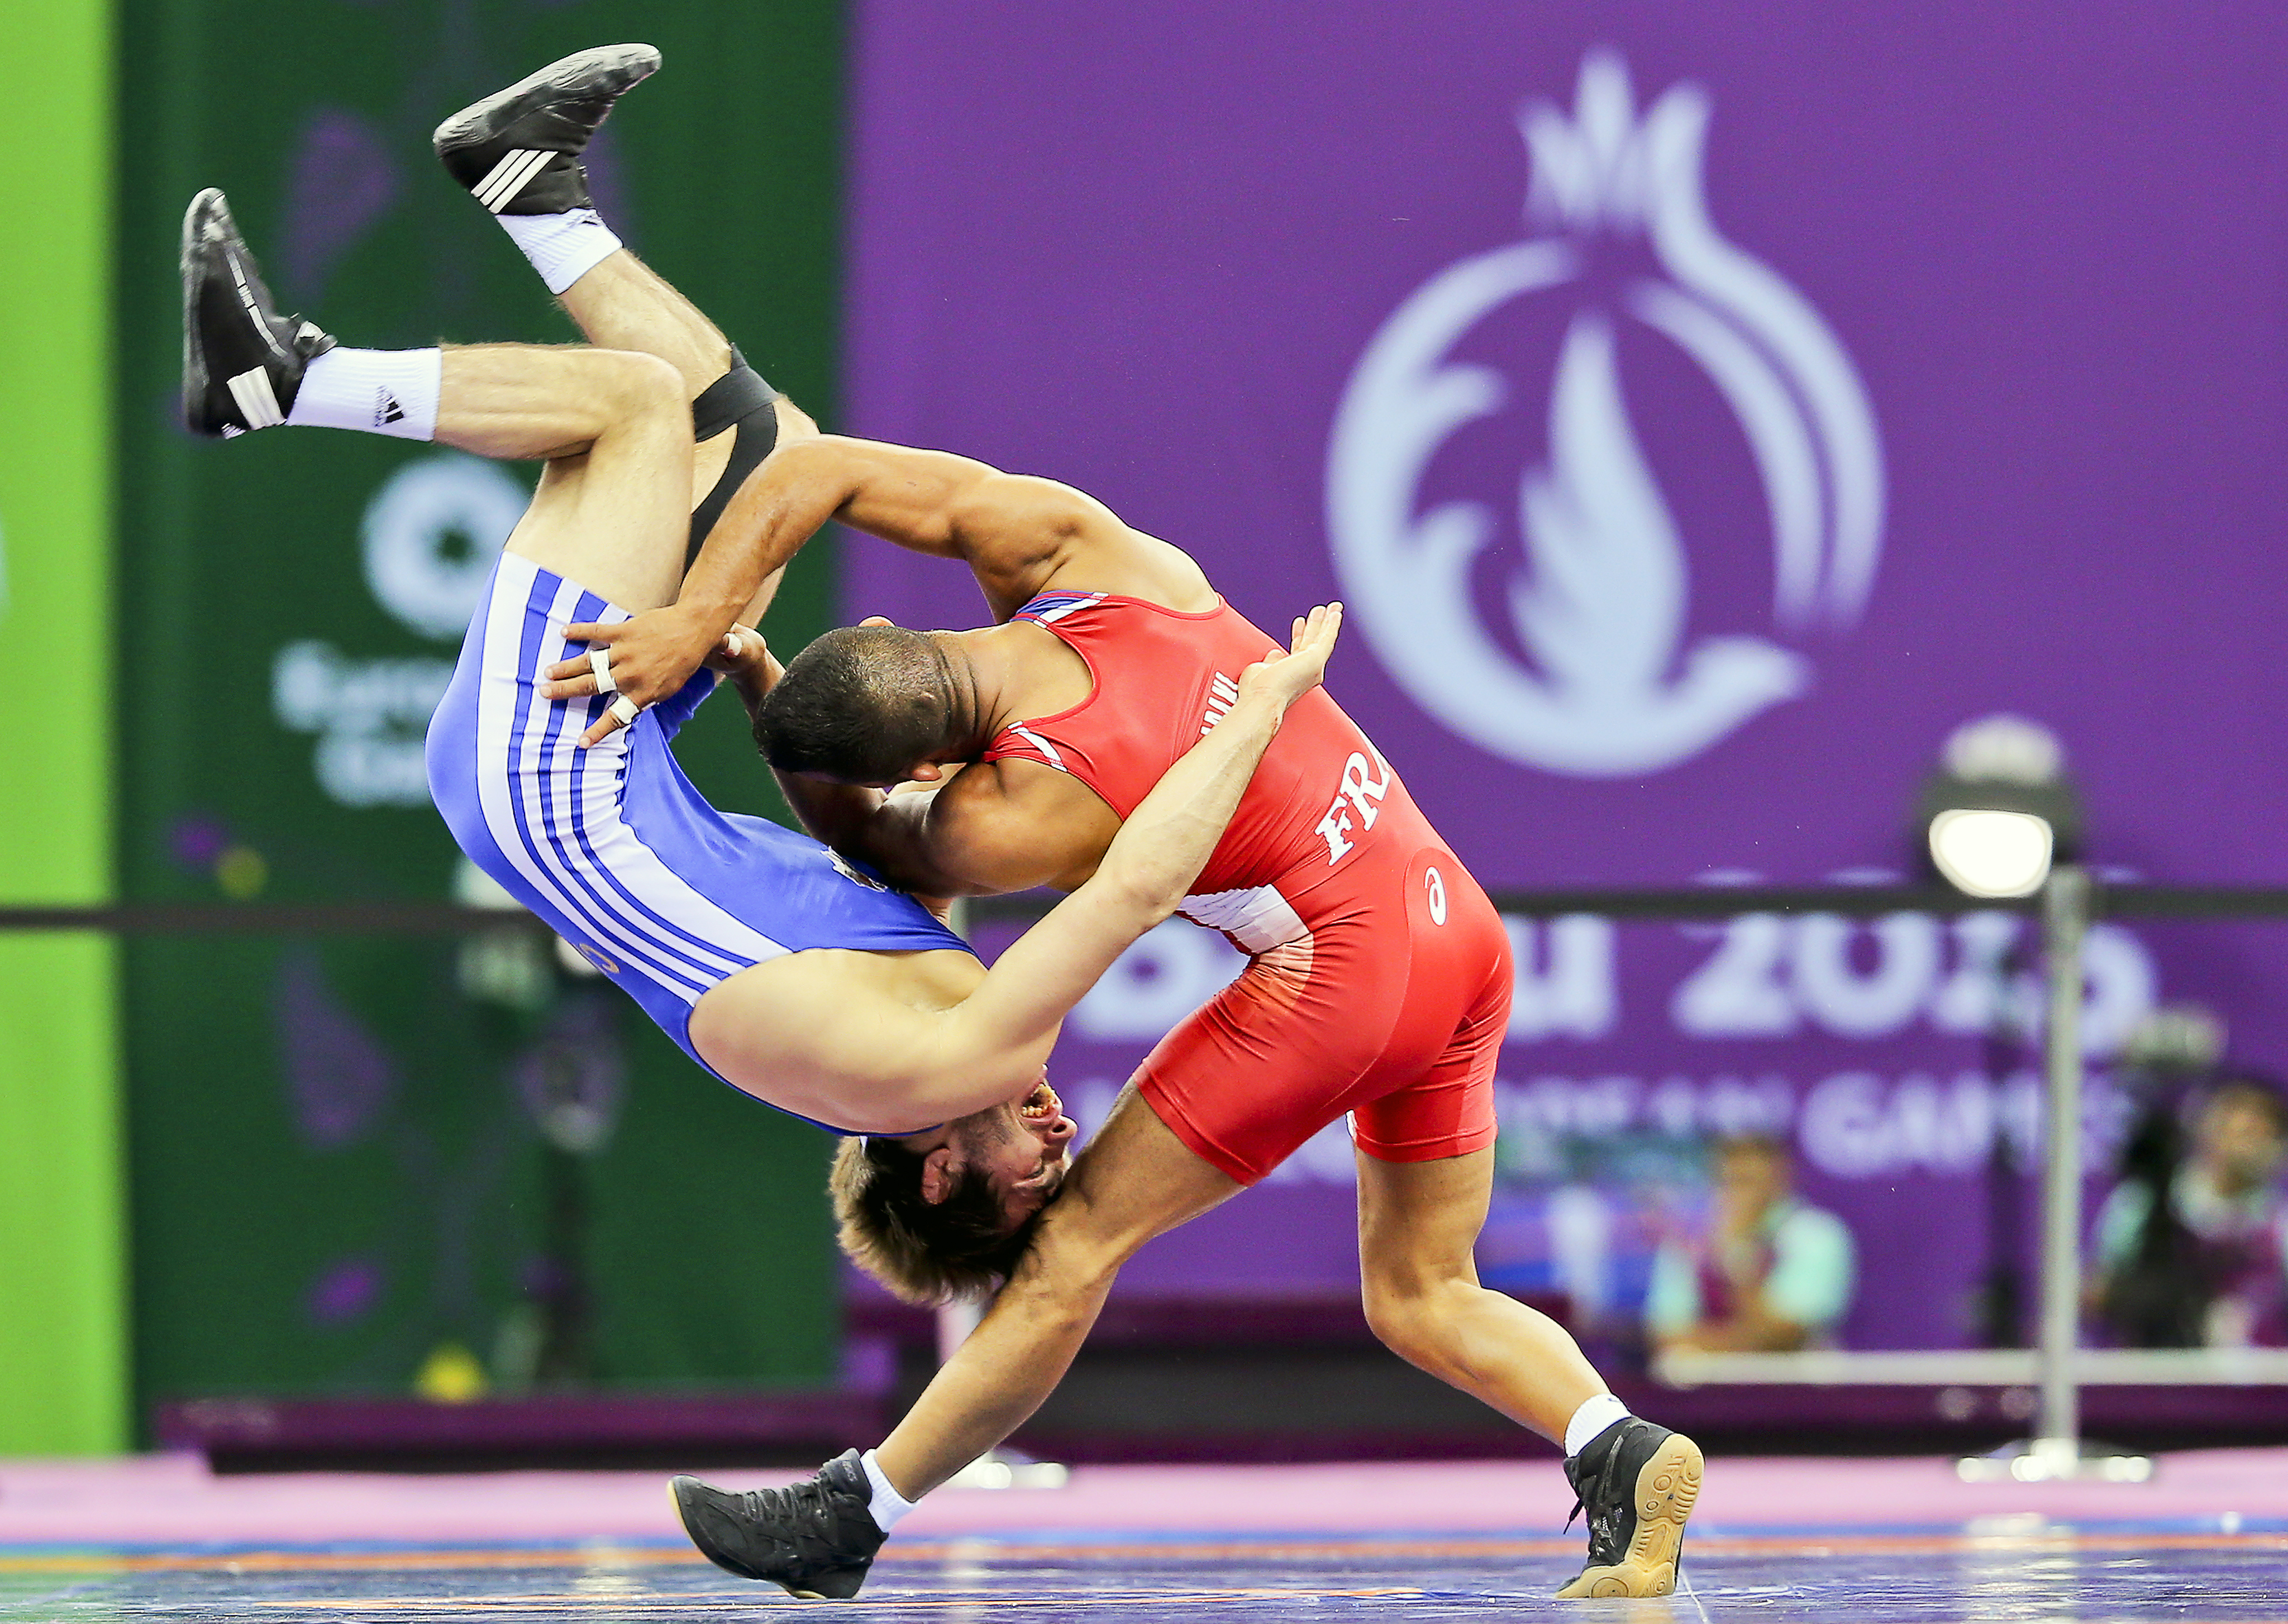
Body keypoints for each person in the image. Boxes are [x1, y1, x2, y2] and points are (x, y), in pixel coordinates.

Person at [440, 45, 1703, 1603]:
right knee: (1420, 1284)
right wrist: (713, 622)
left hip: (1345, 961)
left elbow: (882, 856)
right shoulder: (1094, 549)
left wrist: (715, 645)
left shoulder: (1030, 812)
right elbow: (816, 463)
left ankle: (858, 1512)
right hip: (1457, 922)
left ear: (937, 769)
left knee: (1070, 1253)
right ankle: (1614, 1446)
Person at [178, 171, 1345, 1259]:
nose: (1062, 1139)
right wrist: (755, 684)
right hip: (590, 776)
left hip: (553, 783)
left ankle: (276, 385)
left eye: (1035, 1176)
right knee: (768, 446)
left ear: (940, 1177)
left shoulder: (959, 1058)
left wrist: (1257, 711)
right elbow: (890, 871)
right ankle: (531, 193)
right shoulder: (900, 1035)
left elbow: (1136, 888)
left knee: (637, 406)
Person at [2095, 1078, 2288, 1348]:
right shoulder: (2142, 1204)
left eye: (2266, 1131)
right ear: (2207, 1126)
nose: (2251, 1141)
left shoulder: (2279, 1224)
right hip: (2156, 1377)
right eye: (2241, 1127)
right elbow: (2100, 1291)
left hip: (2255, 1384)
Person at [1645, 1133, 1856, 1357]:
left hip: (1798, 1385)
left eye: (1748, 1181)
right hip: (1710, 1384)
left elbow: (1783, 1335)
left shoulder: (1815, 1233)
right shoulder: (1688, 1238)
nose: (1738, 1194)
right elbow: (1666, 1335)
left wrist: (1739, 1255)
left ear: (1779, 1180)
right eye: (1728, 1181)